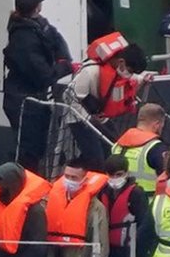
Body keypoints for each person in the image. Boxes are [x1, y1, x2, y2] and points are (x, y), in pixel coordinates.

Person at [3, 0, 73, 171]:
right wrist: (65, 66)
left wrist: (48, 30)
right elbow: (43, 76)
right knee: (28, 153)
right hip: (24, 103)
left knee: (39, 148)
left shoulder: (36, 28)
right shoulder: (24, 39)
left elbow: (57, 44)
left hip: (36, 101)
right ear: (36, 9)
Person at [65, 32, 152, 171]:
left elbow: (133, 79)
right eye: (130, 70)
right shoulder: (90, 71)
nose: (130, 74)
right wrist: (88, 117)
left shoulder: (120, 72)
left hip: (101, 117)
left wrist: (144, 79)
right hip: (79, 119)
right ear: (122, 62)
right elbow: (70, 95)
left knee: (115, 149)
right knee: (96, 159)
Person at [110, 103, 168, 197]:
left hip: (119, 203)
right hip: (146, 205)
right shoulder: (156, 148)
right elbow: (167, 179)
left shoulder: (117, 145)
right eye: (162, 126)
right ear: (157, 124)